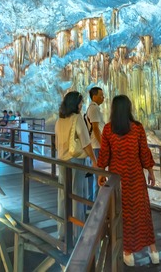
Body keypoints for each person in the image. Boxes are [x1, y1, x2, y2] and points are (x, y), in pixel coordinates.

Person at [97, 95, 158, 267]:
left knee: (123, 213)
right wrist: (151, 171)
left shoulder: (109, 129)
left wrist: (100, 173)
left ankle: (128, 252)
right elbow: (144, 152)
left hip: (118, 178)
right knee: (142, 212)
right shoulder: (137, 128)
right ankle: (153, 251)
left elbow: (104, 155)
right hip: (136, 177)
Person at [55, 91, 96, 240]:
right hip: (75, 162)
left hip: (61, 161)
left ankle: (62, 231)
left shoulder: (60, 120)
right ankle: (77, 232)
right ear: (75, 104)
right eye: (80, 103)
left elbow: (56, 143)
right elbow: (85, 142)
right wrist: (94, 160)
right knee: (77, 195)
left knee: (63, 195)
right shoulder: (77, 118)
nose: (81, 105)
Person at [85, 87, 105, 201]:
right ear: (94, 97)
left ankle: (92, 202)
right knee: (98, 176)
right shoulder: (94, 109)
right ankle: (97, 204)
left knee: (95, 175)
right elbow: (96, 128)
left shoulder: (93, 108)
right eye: (101, 95)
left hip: (95, 145)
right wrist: (103, 145)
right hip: (96, 146)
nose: (103, 98)